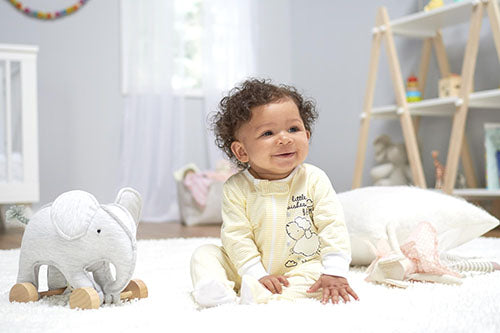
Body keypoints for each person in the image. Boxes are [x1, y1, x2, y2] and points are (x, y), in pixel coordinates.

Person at [190, 78, 358, 307]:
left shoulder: (313, 179)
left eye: (293, 129)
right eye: (268, 133)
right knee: (205, 253)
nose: (285, 138)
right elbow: (236, 235)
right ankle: (215, 289)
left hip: (299, 265)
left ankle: (262, 296)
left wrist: (336, 271)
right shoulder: (236, 188)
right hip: (246, 268)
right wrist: (255, 272)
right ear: (241, 151)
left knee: (317, 274)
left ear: (307, 136)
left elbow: (332, 225)